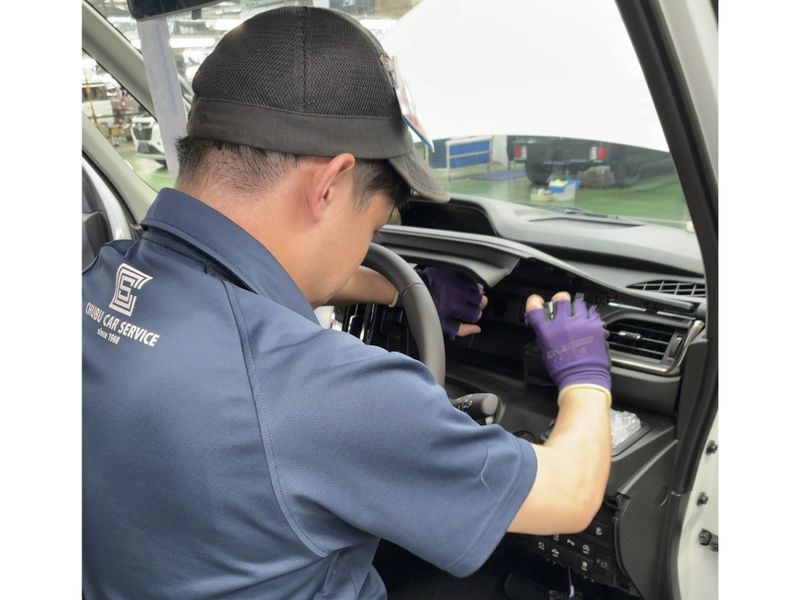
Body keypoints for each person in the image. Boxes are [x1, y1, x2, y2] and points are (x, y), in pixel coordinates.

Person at [82, 7, 611, 599]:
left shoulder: (101, 279)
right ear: (329, 184)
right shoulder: (327, 391)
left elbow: (241, 271)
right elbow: (571, 495)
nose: (369, 245)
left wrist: (397, 288)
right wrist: (586, 379)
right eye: (375, 226)